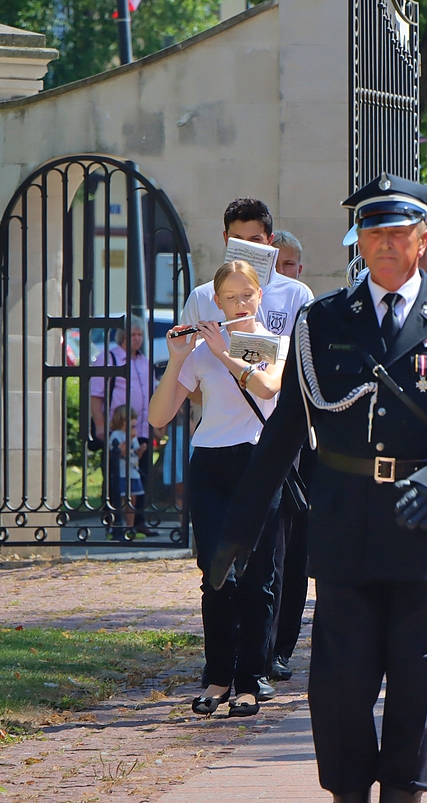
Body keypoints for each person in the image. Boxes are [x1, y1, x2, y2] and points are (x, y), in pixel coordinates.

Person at [205, 174, 427, 803]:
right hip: (346, 523)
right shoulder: (323, 322)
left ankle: (403, 791)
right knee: (340, 681)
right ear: (360, 241)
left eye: (398, 233)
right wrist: (236, 531)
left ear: (424, 238)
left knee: (416, 675)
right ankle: (348, 788)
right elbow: (286, 430)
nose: (385, 245)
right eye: (374, 233)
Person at [150, 261, 290, 720]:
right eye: (229, 298)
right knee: (215, 573)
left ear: (259, 295)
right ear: (216, 300)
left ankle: (251, 679)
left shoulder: (273, 343)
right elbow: (158, 416)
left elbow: (268, 388)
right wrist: (176, 359)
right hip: (209, 462)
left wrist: (226, 351)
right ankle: (217, 677)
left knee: (256, 576)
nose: (239, 304)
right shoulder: (202, 349)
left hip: (257, 462)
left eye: (246, 295)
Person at [268, 232, 314, 684]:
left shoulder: (300, 298)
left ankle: (281, 646)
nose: (284, 270)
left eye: (291, 263)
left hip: (297, 438)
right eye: (276, 262)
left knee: (292, 551)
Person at [180, 198, 314, 340]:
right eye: (237, 240)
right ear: (226, 238)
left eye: (255, 240)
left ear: (269, 240)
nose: (246, 248)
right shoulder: (201, 296)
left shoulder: (297, 294)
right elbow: (186, 354)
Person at [89, 315, 155, 539]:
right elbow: (96, 395)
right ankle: (114, 522)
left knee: (141, 476)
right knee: (116, 478)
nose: (137, 339)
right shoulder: (109, 358)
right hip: (117, 429)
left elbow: (152, 393)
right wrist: (99, 424)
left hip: (142, 429)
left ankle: (138, 521)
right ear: (123, 337)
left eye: (140, 335)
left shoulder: (144, 361)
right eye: (133, 335)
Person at [106, 405, 146, 537]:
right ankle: (115, 527)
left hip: (133, 473)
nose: (133, 422)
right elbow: (120, 452)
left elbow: (135, 455)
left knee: (132, 501)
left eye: (134, 418)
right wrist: (129, 438)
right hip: (122, 474)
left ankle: (130, 527)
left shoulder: (133, 436)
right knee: (121, 500)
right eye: (130, 419)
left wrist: (141, 450)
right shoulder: (117, 435)